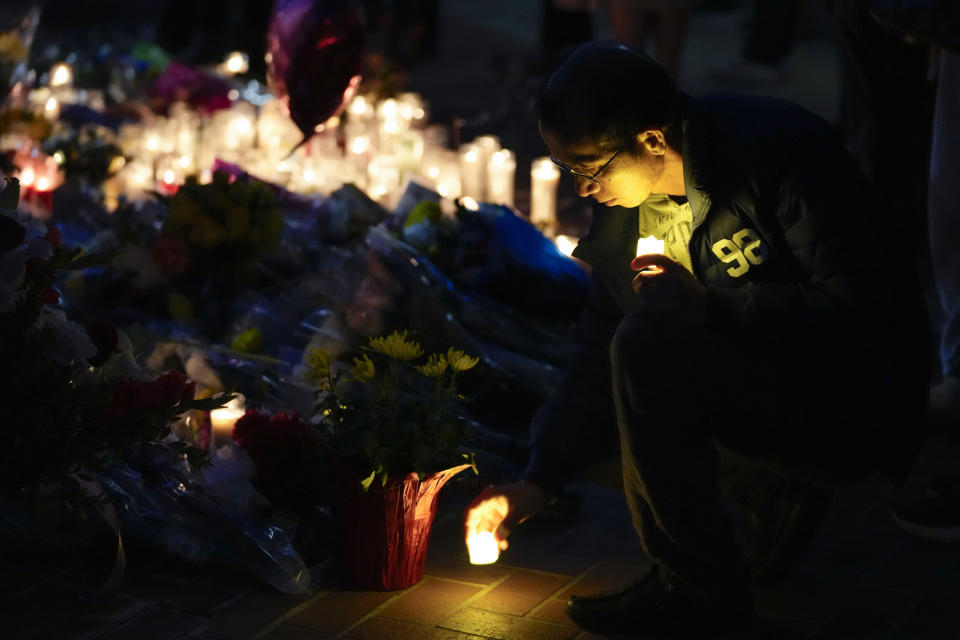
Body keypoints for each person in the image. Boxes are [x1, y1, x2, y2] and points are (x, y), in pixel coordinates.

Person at [463, 41, 930, 638]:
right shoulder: (625, 216)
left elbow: (861, 308)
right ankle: (698, 562)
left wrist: (710, 305)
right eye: (566, 171)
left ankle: (702, 590)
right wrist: (537, 480)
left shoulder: (777, 153)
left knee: (648, 344)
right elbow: (593, 353)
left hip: (844, 397)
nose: (581, 190)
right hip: (745, 379)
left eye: (588, 169)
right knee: (631, 352)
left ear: (653, 139)